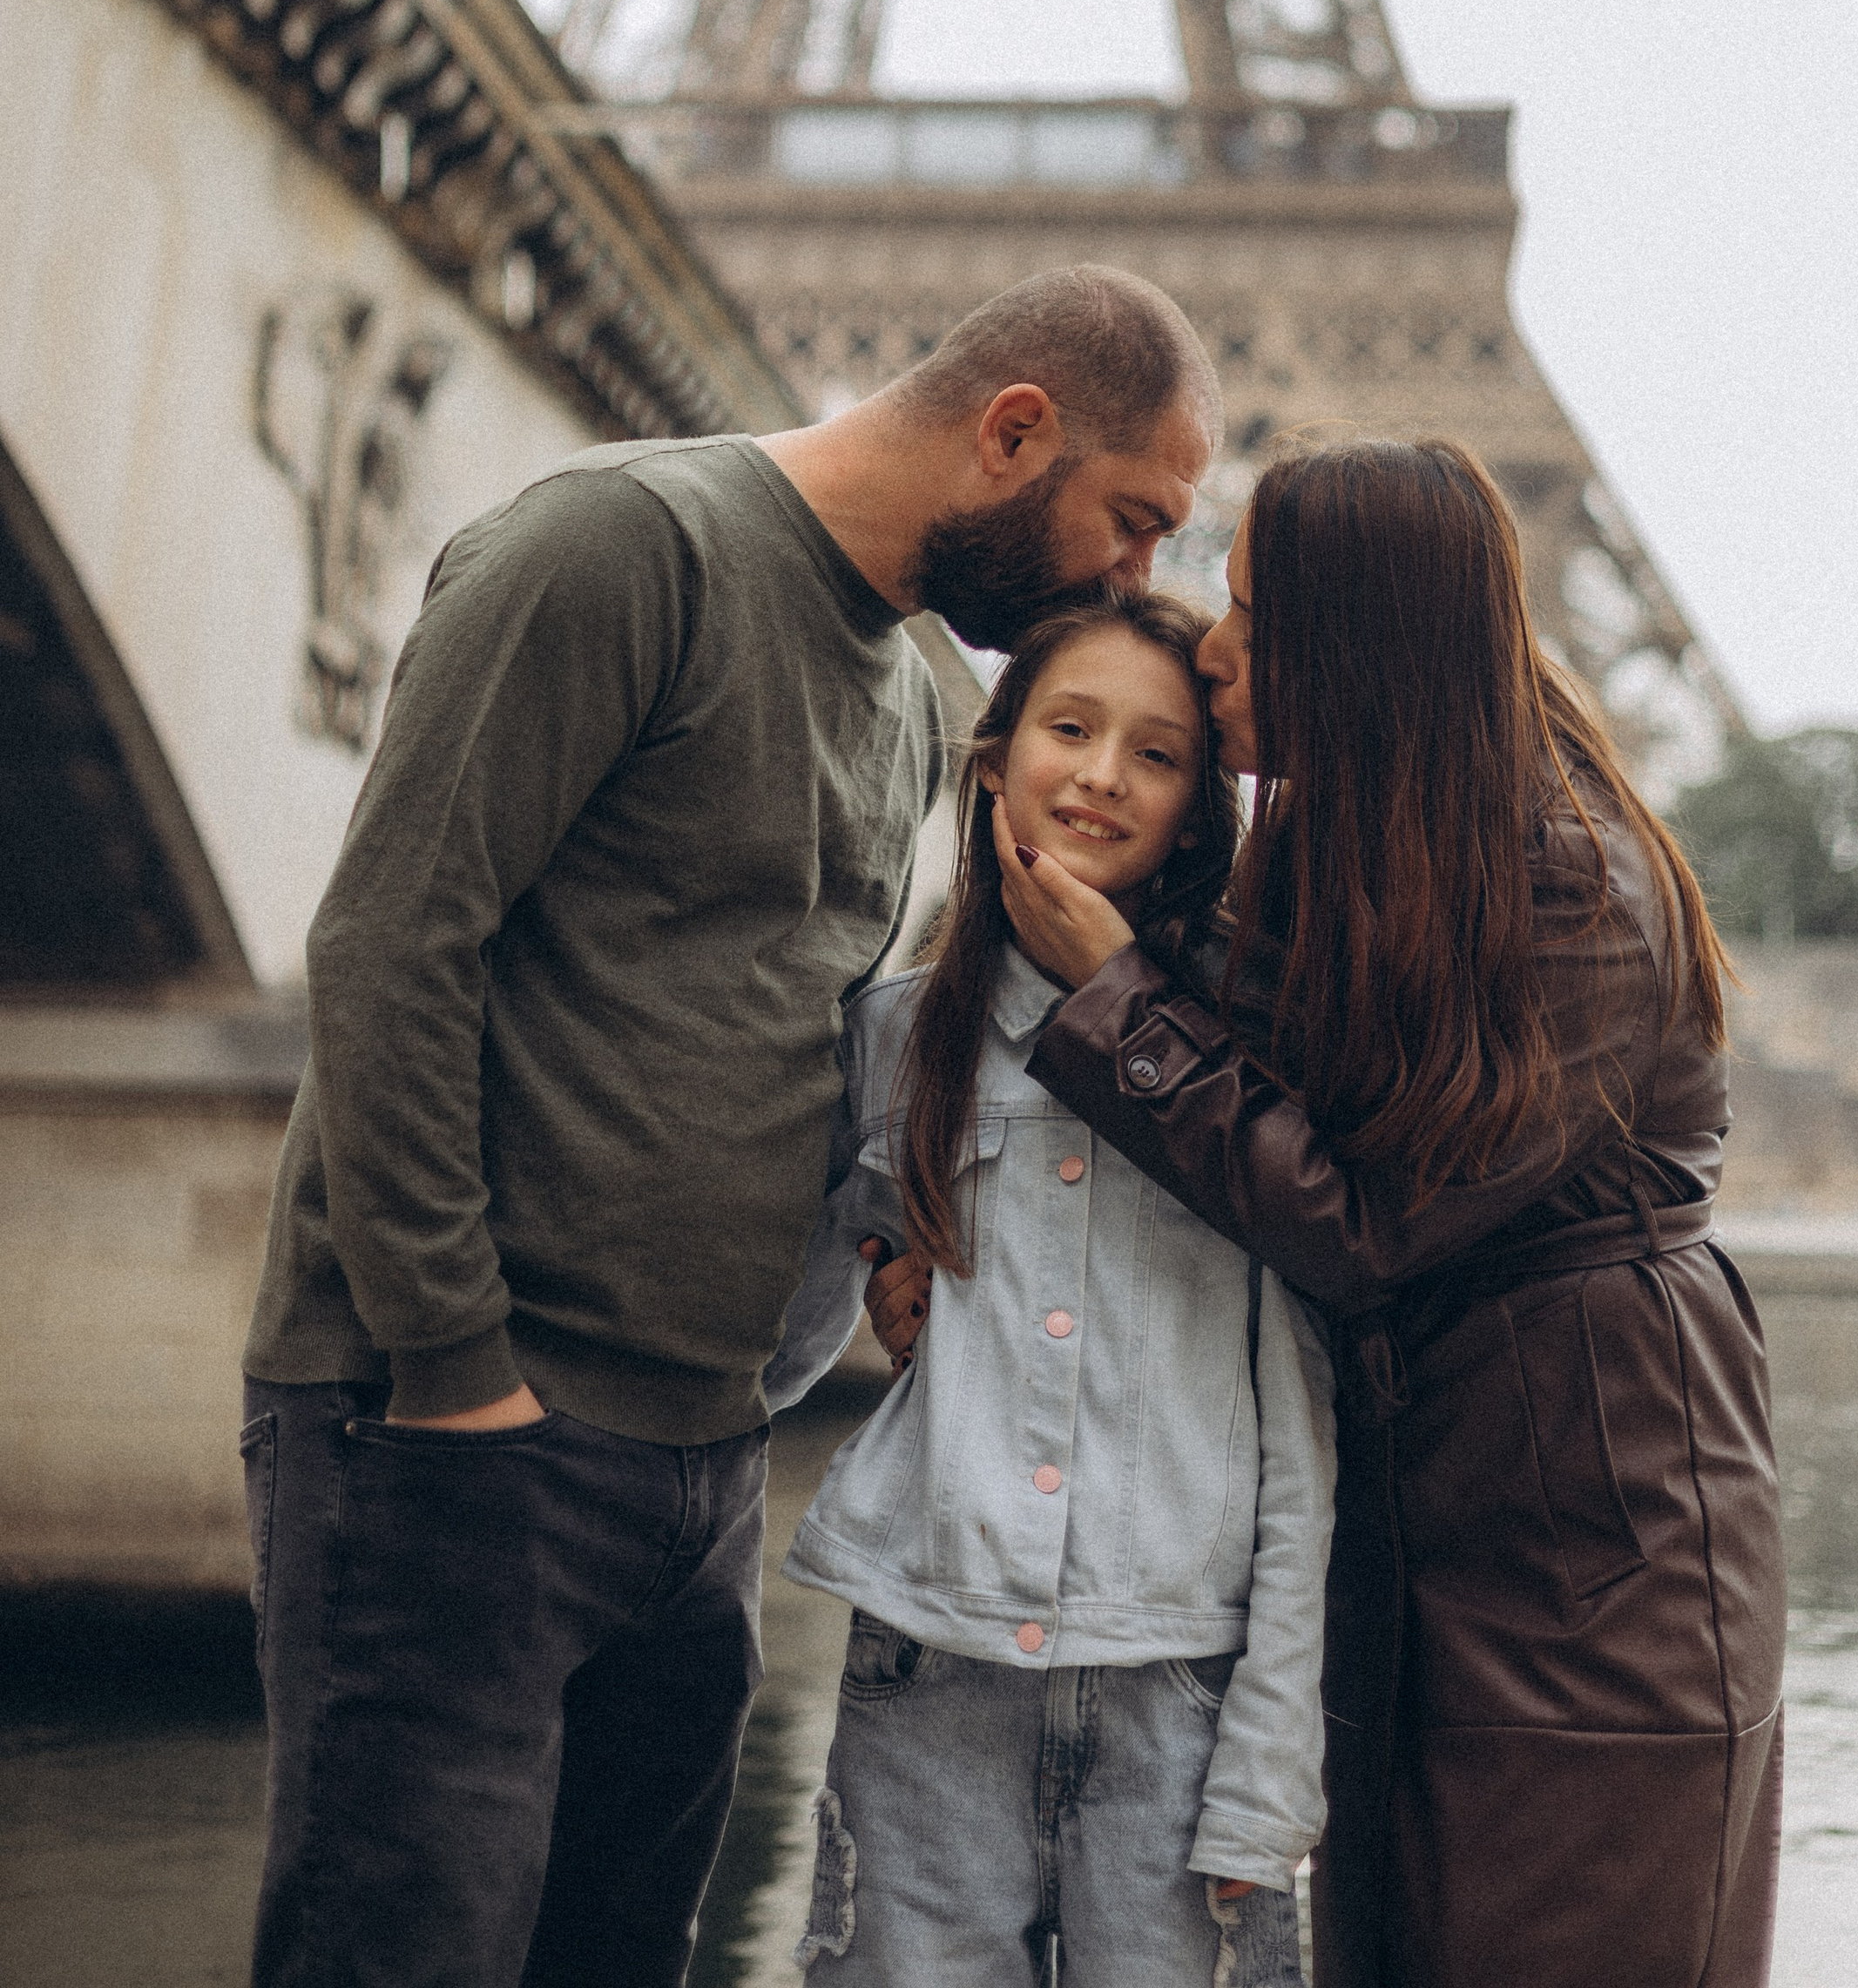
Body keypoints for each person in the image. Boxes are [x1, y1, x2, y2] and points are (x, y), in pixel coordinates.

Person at [237, 266, 1220, 1988]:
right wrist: (454, 1372)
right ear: (1013, 432)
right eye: (1132, 520)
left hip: (699, 1465)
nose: (1135, 578)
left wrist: (892, 1252)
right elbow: (392, 943)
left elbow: (794, 1043)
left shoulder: (908, 695)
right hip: (461, 1434)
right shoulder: (621, 548)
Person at [875, 435, 1786, 1988]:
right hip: (1417, 1532)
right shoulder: (1358, 834)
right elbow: (1241, 1122)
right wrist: (925, 1247)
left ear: (1365, 644)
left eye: (1253, 613)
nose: (1215, 650)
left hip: (1592, 1569)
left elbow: (1360, 1220)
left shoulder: (1578, 889)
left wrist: (1113, 997)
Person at [761, 592, 1336, 1988]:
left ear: (1198, 816)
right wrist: (878, 1273)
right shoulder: (893, 1036)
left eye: (1158, 754)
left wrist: (1271, 1770)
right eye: (1070, 729)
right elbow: (782, 1347)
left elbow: (1303, 1445)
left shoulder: (1259, 1056)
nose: (1102, 775)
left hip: (1184, 1697)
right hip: (926, 1679)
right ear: (992, 760)